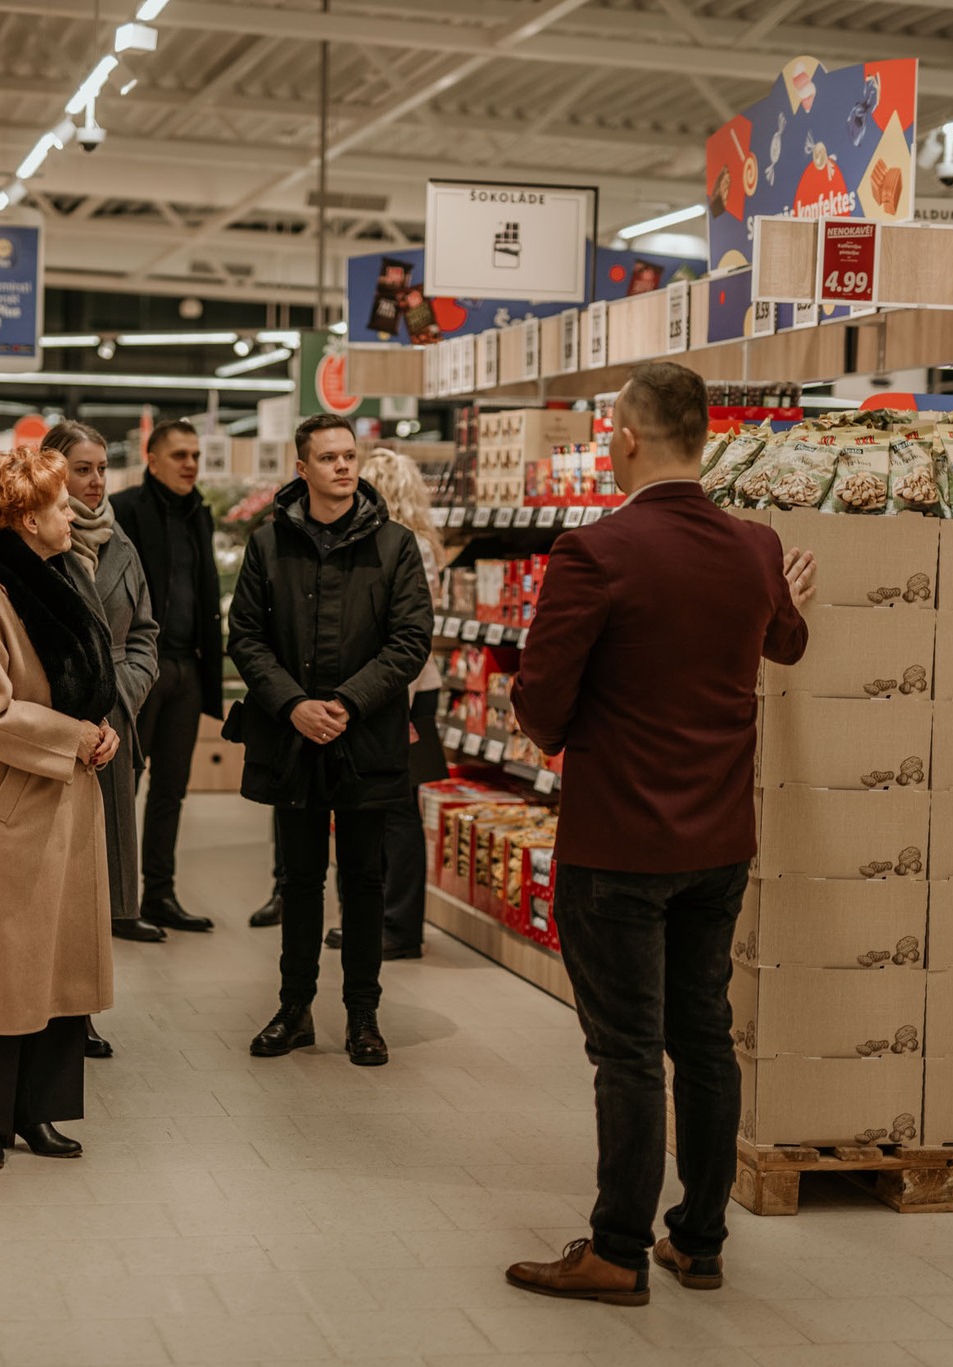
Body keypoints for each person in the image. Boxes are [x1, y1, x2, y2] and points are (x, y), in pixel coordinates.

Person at [502, 362, 816, 1307]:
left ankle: (615, 1250)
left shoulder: (595, 552)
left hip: (619, 844)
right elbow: (788, 644)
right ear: (707, 438)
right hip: (720, 840)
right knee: (707, 1039)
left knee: (629, 1051)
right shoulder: (756, 545)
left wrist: (561, 725)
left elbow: (540, 706)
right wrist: (786, 588)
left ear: (627, 438)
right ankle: (702, 1240)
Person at [225, 414, 432, 1068]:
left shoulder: (395, 545)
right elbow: (247, 639)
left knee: (364, 879)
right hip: (294, 737)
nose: (344, 467)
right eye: (330, 457)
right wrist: (293, 705)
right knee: (300, 877)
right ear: (303, 467)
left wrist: (345, 701)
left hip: (365, 736)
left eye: (350, 456)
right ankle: (294, 1008)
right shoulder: (267, 546)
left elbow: (410, 641)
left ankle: (364, 1016)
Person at [0, 445, 121, 1169]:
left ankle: (39, 1110)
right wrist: (75, 736)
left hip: (63, 799)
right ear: (20, 518)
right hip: (4, 810)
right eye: (53, 504)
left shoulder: (57, 579)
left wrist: (98, 729)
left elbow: (81, 680)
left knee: (56, 965)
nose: (68, 513)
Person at [46, 421, 160, 1057]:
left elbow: (145, 634)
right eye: (81, 469)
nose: (93, 481)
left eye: (100, 468)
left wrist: (123, 689)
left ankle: (81, 1009)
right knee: (57, 878)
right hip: (57, 729)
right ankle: (48, 1004)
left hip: (113, 730)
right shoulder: (34, 541)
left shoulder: (122, 547)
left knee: (97, 884)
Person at [112, 420, 222, 935]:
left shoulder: (200, 512)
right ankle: (118, 901)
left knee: (171, 789)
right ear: (152, 459)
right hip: (141, 666)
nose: (190, 465)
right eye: (179, 455)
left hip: (186, 666)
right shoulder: (127, 509)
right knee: (124, 785)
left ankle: (159, 893)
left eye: (195, 455)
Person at [359, 449, 450, 959]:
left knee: (396, 811)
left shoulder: (406, 547)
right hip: (403, 689)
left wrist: (395, 705)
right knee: (382, 810)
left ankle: (399, 927)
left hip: (405, 693)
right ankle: (380, 920)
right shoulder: (411, 542)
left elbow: (412, 637)